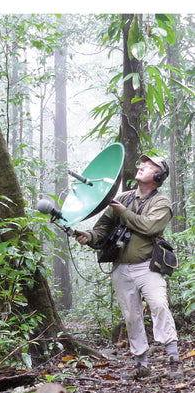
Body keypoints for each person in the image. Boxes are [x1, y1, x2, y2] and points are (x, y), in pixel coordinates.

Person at [75, 153, 182, 380]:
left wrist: (123, 213)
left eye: (150, 165)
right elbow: (102, 228)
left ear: (159, 175)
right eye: (143, 163)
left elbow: (149, 227)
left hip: (148, 266)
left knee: (159, 304)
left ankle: (173, 358)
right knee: (131, 316)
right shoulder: (122, 198)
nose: (143, 166)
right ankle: (141, 363)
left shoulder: (161, 202)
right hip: (121, 267)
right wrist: (89, 236)